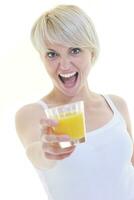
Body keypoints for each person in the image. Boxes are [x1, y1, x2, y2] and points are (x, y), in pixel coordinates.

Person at [15, 4, 134, 200]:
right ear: (42, 59)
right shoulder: (34, 114)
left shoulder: (116, 104)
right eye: (52, 54)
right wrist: (47, 150)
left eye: (75, 50)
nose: (64, 65)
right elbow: (35, 152)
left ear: (92, 53)